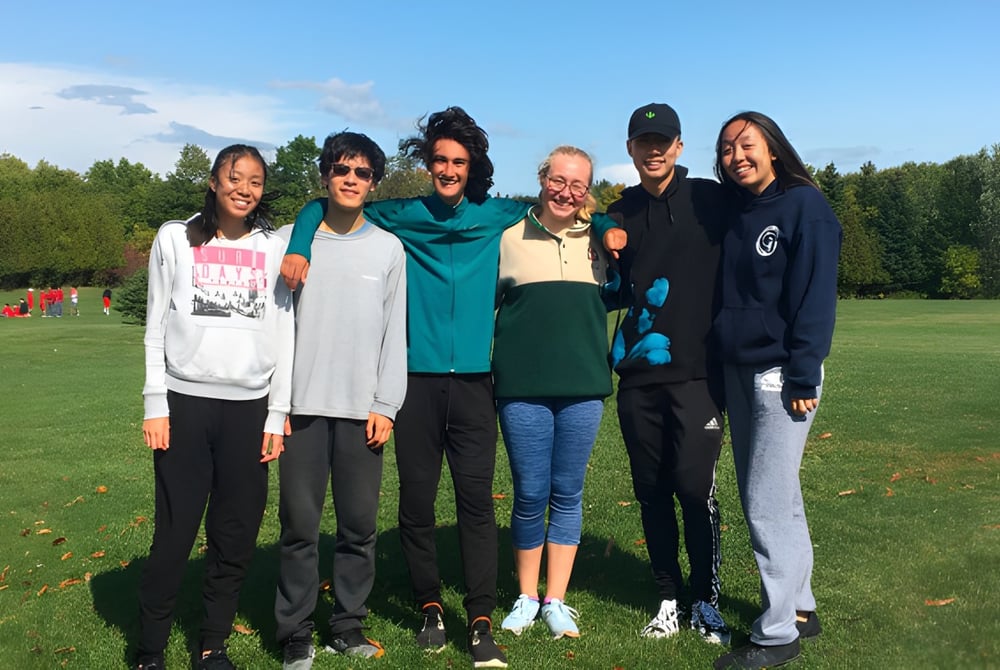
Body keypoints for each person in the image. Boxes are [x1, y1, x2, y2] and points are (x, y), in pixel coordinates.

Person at [281, 107, 624, 670]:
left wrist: (608, 219)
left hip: (473, 383)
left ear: (473, 166)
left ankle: (481, 615)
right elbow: (324, 205)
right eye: (439, 159)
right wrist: (299, 243)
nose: (447, 169)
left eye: (458, 161)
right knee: (416, 505)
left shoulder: (498, 216)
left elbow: (570, 203)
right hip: (413, 382)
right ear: (427, 163)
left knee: (476, 504)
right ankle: (429, 607)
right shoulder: (401, 214)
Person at [137, 144, 294, 670]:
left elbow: (286, 330)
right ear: (212, 181)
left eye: (254, 181)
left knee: (235, 535)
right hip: (185, 404)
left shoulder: (277, 246)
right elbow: (155, 322)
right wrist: (155, 402)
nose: (244, 189)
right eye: (234, 177)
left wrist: (277, 412)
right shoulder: (175, 237)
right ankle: (150, 649)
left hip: (249, 411)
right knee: (175, 533)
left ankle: (212, 644)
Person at [710, 112, 841, 670]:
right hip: (738, 371)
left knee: (763, 501)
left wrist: (804, 372)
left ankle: (777, 632)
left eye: (746, 145)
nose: (736, 156)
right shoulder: (738, 213)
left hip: (781, 375)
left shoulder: (804, 206)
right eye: (726, 149)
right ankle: (802, 609)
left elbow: (815, 295)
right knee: (779, 495)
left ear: (773, 149)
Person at [274, 132, 407, 669]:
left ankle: (347, 625)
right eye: (341, 169)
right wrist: (275, 407)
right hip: (301, 408)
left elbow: (393, 333)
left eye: (362, 173)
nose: (351, 180)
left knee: (359, 527)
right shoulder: (291, 241)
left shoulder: (388, 248)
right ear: (325, 175)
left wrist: (387, 404)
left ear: (373, 183)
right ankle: (295, 631)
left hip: (363, 411)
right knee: (299, 528)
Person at [606, 103, 730, 644]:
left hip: (699, 374)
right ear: (630, 148)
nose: (653, 150)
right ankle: (667, 598)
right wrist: (605, 227)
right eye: (643, 141)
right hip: (637, 376)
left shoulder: (710, 199)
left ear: (680, 146)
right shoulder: (620, 211)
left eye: (664, 140)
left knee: (693, 488)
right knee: (650, 490)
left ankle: (705, 599)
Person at [493, 147, 613, 640]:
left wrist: (606, 224)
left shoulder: (604, 240)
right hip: (522, 387)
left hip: (584, 387)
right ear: (542, 179)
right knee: (530, 493)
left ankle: (555, 600)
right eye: (558, 180)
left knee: (568, 493)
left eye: (578, 184)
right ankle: (525, 596)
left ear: (588, 190)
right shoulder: (507, 236)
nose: (566, 192)